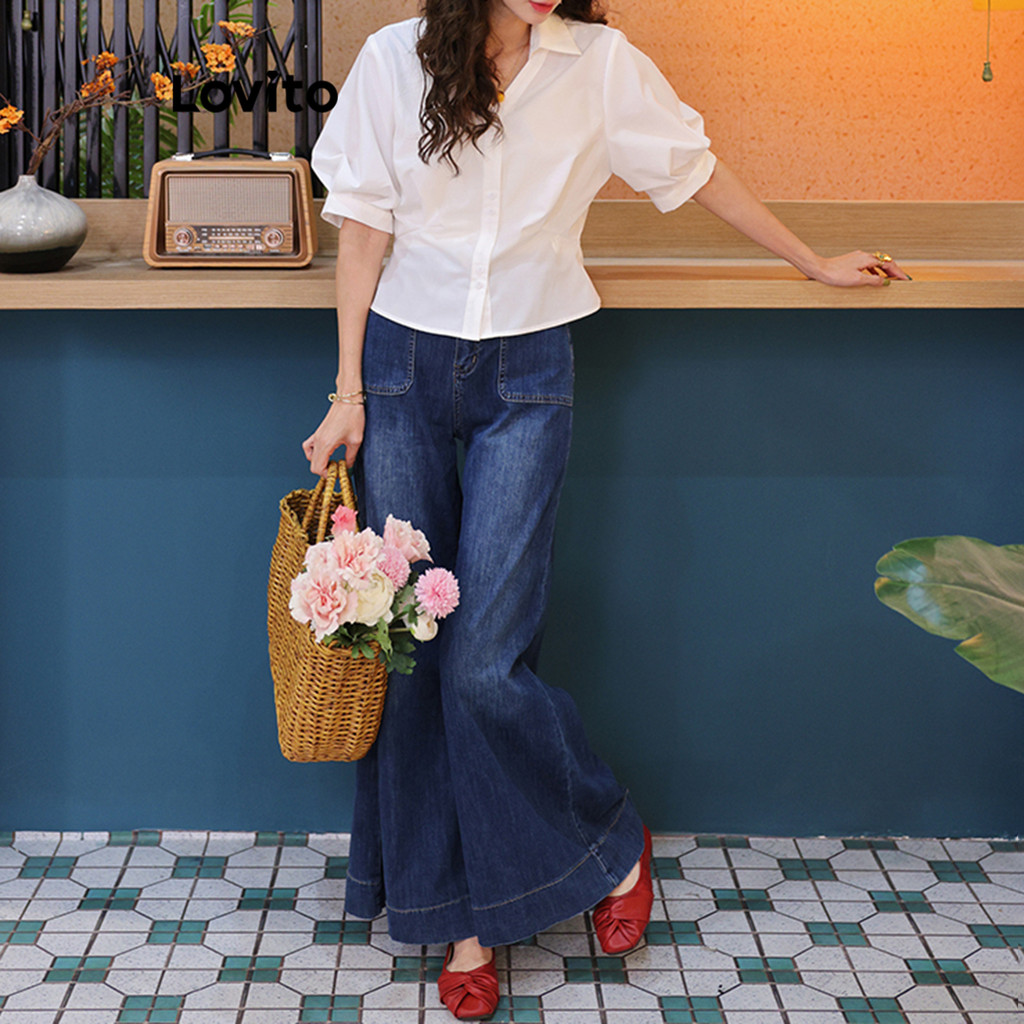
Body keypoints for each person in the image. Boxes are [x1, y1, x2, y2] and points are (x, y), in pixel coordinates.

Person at [304, 0, 909, 1018]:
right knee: (413, 655)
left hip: (530, 368)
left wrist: (808, 259)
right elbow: (363, 228)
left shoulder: (601, 63)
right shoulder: (393, 57)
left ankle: (608, 836)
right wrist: (347, 391)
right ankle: (461, 921)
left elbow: (693, 171)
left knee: (484, 662)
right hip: (403, 367)